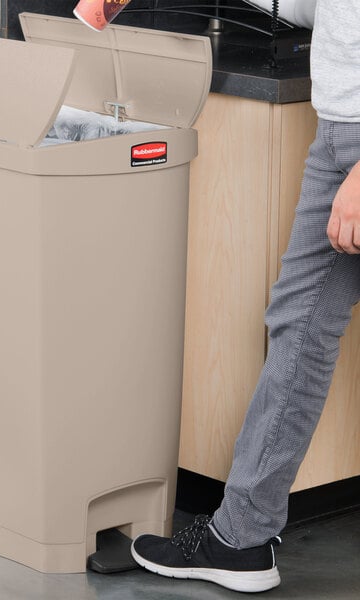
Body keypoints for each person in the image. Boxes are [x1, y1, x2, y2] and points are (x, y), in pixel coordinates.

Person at [130, 0, 360, 593]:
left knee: (302, 328)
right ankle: (240, 539)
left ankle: (241, 536)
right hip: (338, 134)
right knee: (300, 326)